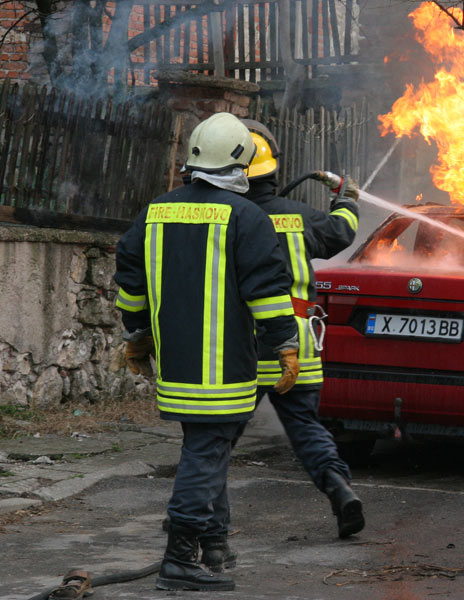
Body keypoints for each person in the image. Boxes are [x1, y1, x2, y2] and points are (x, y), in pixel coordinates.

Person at [114, 112, 300, 591]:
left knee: (206, 449)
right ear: (241, 160)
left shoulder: (155, 212)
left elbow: (131, 282)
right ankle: (179, 560)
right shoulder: (248, 217)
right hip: (225, 369)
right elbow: (269, 292)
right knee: (206, 452)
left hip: (176, 365)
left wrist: (138, 334)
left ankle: (214, 545)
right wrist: (286, 344)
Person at [240, 118, 365, 538]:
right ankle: (340, 489)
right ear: (273, 169)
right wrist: (347, 198)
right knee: (306, 426)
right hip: (299, 340)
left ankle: (190, 507)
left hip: (244, 339)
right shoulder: (298, 216)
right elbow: (342, 231)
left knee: (218, 434)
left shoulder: (226, 219)